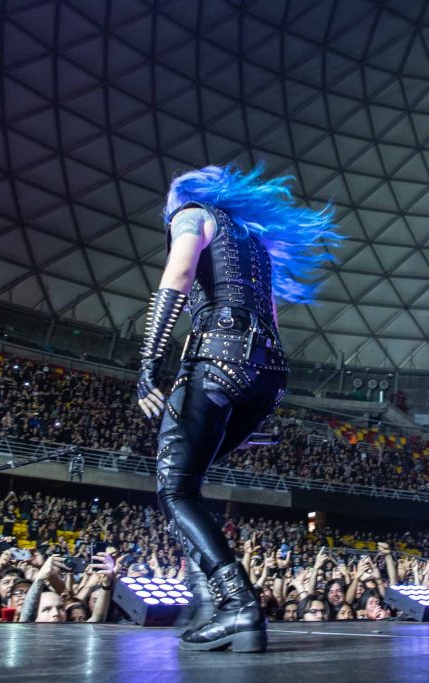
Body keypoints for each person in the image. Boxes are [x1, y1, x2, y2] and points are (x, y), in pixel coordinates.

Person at [136, 164, 340, 653]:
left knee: (175, 489)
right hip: (268, 375)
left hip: (218, 361)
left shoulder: (192, 214)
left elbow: (179, 274)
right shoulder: (253, 241)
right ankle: (212, 603)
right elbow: (271, 318)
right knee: (188, 484)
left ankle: (236, 604)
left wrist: (148, 361)